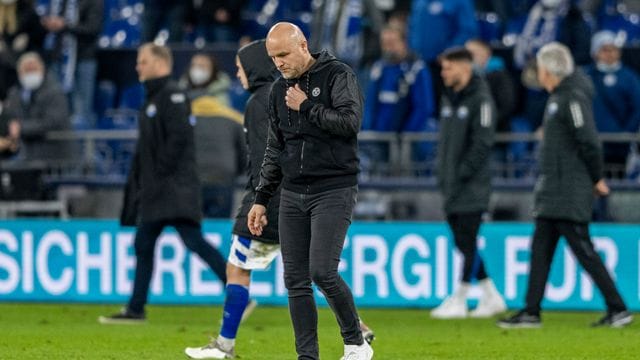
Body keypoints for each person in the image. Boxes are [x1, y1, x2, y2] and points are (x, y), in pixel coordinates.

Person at [248, 22, 373, 360]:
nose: (279, 63)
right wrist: (261, 199)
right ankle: (307, 356)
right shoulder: (278, 91)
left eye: (284, 54)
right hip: (292, 192)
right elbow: (275, 148)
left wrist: (306, 106)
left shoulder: (337, 75)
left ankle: (355, 343)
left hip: (333, 187)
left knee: (322, 271)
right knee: (295, 281)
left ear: (303, 44)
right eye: (273, 57)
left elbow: (350, 123)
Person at [497, 42, 633, 329]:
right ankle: (531, 311)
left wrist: (597, 177)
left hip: (568, 189)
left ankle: (618, 308)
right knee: (541, 250)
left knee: (584, 250)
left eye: (541, 69)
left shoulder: (571, 96)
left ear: (548, 69)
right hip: (555, 190)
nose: (540, 75)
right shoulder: (562, 96)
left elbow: (588, 140)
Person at [98, 43, 227, 324]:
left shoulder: (173, 95)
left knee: (192, 241)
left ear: (159, 63)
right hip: (160, 190)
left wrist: (156, 174)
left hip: (174, 188)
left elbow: (178, 140)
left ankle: (237, 291)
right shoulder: (154, 99)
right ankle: (135, 309)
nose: (137, 66)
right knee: (145, 242)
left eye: (142, 61)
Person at [431, 47, 506, 319]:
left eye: (448, 68)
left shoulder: (481, 99)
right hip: (452, 182)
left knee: (467, 239)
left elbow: (483, 142)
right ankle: (491, 295)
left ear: (464, 67)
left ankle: (461, 297)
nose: (443, 73)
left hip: (472, 184)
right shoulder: (450, 98)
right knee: (464, 242)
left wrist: (463, 173)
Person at [361, 24, 436, 173]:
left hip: (408, 141)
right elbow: (370, 104)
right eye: (385, 44)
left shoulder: (416, 69)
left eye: (392, 43)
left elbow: (424, 107)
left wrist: (406, 136)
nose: (388, 48)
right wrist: (370, 131)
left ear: (404, 43)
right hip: (381, 138)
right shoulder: (379, 68)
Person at [41, 0, 103, 128]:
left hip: (83, 60)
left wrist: (65, 26)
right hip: (56, 59)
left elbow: (93, 28)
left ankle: (83, 146)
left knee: (81, 109)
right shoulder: (55, 2)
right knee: (56, 108)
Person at [585, 30, 640, 172]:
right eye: (605, 50)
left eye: (614, 49)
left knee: (615, 181)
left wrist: (627, 132)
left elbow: (638, 107)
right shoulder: (585, 75)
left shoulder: (629, 77)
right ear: (595, 52)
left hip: (618, 145)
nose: (610, 54)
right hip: (590, 143)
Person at [3, 51, 70, 162]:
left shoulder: (55, 92)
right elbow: (10, 118)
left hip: (55, 156)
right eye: (27, 70)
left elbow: (52, 122)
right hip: (27, 154)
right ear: (19, 72)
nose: (31, 74)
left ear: (42, 69)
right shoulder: (14, 94)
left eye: (33, 70)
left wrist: (21, 127)